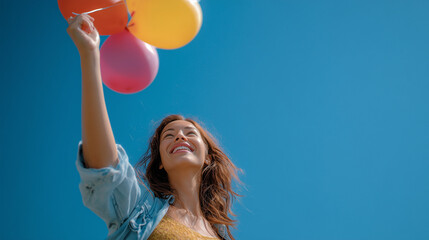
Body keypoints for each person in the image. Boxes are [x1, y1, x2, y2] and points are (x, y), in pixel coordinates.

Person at [67, 14, 241, 240]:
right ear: (160, 163)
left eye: (189, 133)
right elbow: (105, 170)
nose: (179, 136)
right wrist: (90, 54)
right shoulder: (140, 212)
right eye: (169, 135)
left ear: (207, 156)